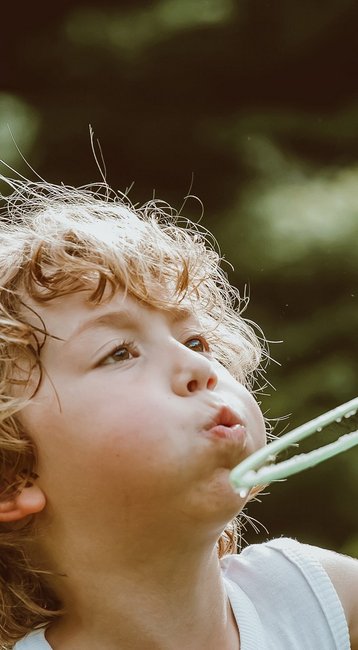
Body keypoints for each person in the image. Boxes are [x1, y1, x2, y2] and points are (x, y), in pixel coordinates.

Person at [0, 174, 357, 650]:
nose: (197, 365)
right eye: (120, 352)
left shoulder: (316, 596)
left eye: (195, 340)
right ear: (14, 477)